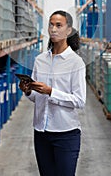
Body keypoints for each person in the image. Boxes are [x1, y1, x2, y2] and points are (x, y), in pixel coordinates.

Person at [19, 10, 86, 176]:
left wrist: (51, 92)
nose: (54, 29)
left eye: (59, 25)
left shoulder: (75, 63)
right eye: (51, 24)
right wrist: (29, 91)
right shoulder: (40, 60)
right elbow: (37, 97)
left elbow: (79, 101)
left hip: (66, 134)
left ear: (68, 31)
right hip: (41, 133)